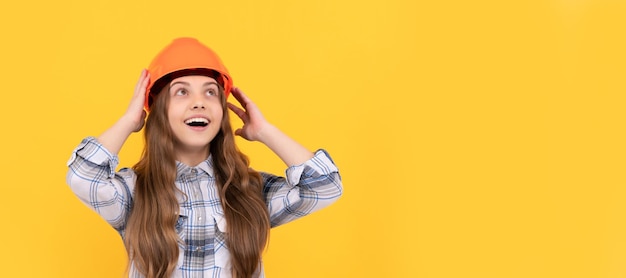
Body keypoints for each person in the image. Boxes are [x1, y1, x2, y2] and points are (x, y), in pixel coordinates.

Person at [66, 37, 343, 278]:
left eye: (211, 92)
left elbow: (325, 185)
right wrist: (128, 121)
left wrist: (266, 132)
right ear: (159, 110)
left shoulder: (249, 190)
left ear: (222, 110)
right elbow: (83, 175)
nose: (199, 102)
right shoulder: (135, 191)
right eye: (182, 92)